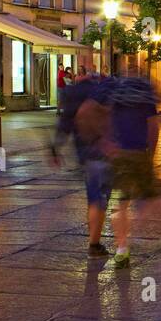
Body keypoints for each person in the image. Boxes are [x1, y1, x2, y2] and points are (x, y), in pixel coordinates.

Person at [52, 73, 114, 257]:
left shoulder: (73, 93)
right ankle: (95, 243)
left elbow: (65, 122)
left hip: (85, 152)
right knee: (102, 197)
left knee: (93, 197)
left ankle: (94, 242)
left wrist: (56, 148)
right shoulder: (105, 89)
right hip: (106, 150)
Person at [108, 75, 161, 269]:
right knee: (152, 196)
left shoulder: (116, 100)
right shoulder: (145, 101)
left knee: (121, 203)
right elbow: (153, 128)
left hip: (119, 154)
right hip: (139, 152)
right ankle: (157, 233)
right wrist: (151, 153)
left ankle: (122, 248)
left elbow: (106, 125)